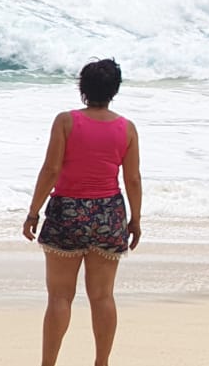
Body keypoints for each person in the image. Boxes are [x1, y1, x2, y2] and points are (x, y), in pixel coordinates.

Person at [21, 59, 142, 366]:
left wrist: (33, 212)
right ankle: (101, 363)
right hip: (108, 214)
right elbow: (132, 179)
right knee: (102, 297)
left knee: (60, 297)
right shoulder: (126, 128)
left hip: (67, 212)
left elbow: (51, 169)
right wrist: (135, 220)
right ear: (115, 90)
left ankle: (48, 364)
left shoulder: (66, 121)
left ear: (82, 88)